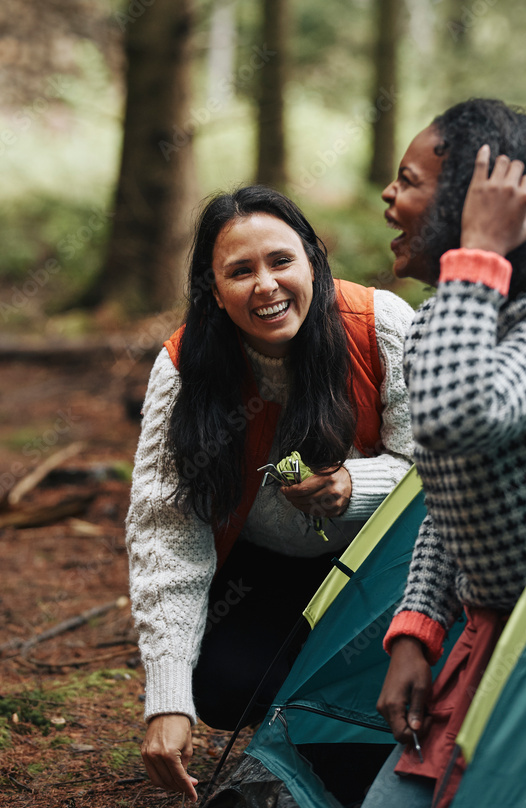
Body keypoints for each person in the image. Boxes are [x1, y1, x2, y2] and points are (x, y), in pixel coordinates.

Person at [125, 185, 415, 802]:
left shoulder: (380, 327)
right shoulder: (185, 368)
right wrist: (167, 698)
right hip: (261, 571)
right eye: (240, 271)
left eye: (282, 261)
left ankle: (333, 747)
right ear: (212, 288)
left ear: (313, 259)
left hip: (378, 573)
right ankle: (308, 729)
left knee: (385, 662)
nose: (266, 286)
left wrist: (352, 485)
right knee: (226, 684)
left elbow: (435, 474)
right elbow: (166, 530)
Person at [362, 98, 526, 808]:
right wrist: (415, 630)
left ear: (481, 208)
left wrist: (475, 255)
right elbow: (447, 495)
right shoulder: (446, 316)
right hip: (488, 635)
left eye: (408, 180)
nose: (388, 194)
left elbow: (454, 420)